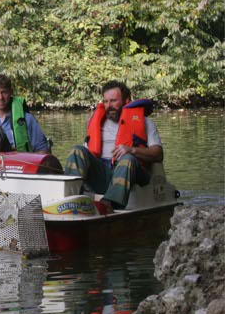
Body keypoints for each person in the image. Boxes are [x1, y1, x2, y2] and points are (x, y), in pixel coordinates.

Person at [64, 80, 163, 214]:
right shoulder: (96, 122)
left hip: (133, 172)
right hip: (104, 172)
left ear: (126, 100)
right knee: (77, 150)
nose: (109, 105)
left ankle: (109, 205)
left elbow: (158, 154)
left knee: (127, 159)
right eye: (106, 101)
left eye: (113, 101)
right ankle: (70, 200)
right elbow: (86, 155)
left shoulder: (146, 123)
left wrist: (132, 150)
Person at [0, 74, 51, 164]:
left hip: (19, 168)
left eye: (4, 92)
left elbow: (44, 152)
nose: (0, 97)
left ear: (11, 92)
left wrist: (19, 156)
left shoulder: (27, 120)